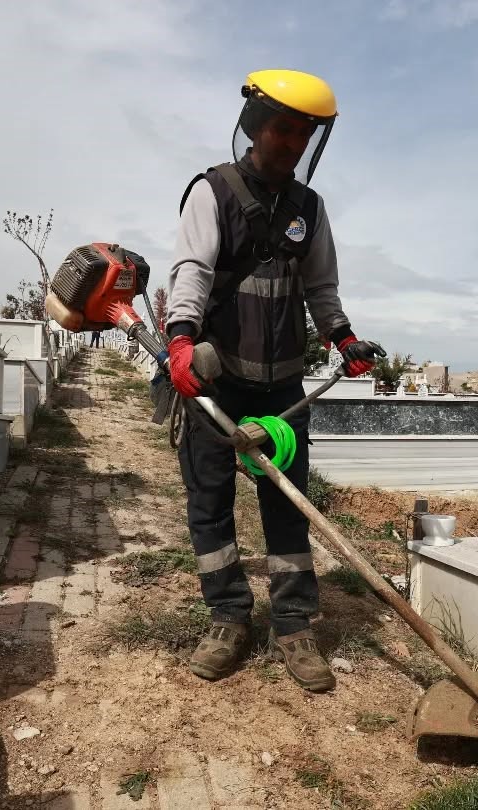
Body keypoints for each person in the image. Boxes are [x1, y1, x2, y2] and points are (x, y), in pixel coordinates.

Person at [165, 69, 383, 691]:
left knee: (287, 506)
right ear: (256, 127)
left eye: (303, 133)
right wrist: (181, 341)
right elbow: (192, 273)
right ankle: (228, 618)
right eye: (282, 128)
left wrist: (343, 338)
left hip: (284, 387)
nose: (291, 142)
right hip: (214, 380)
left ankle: (292, 625)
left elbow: (321, 288)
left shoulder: (310, 210)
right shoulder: (214, 192)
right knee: (210, 502)